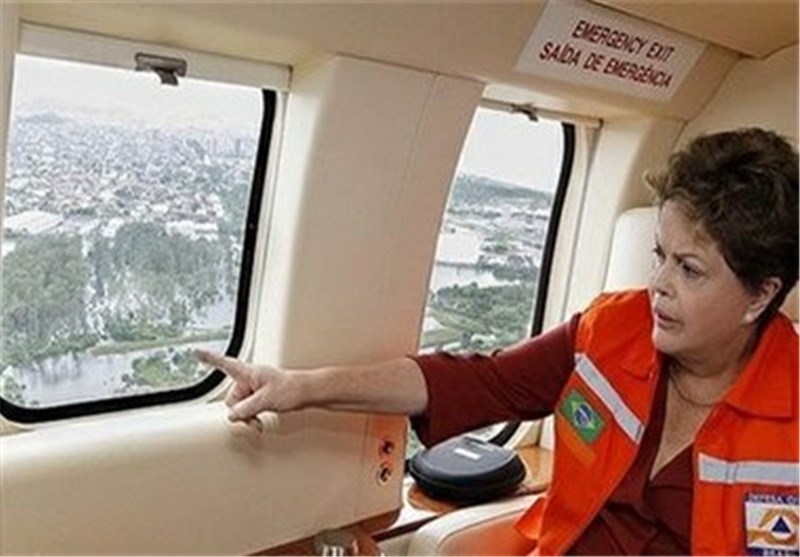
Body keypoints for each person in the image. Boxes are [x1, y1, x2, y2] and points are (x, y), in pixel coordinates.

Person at [196, 127, 799, 556]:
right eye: (660, 255)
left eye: (689, 270)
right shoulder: (611, 332)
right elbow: (477, 380)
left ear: (760, 295)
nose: (658, 284)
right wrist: (300, 387)